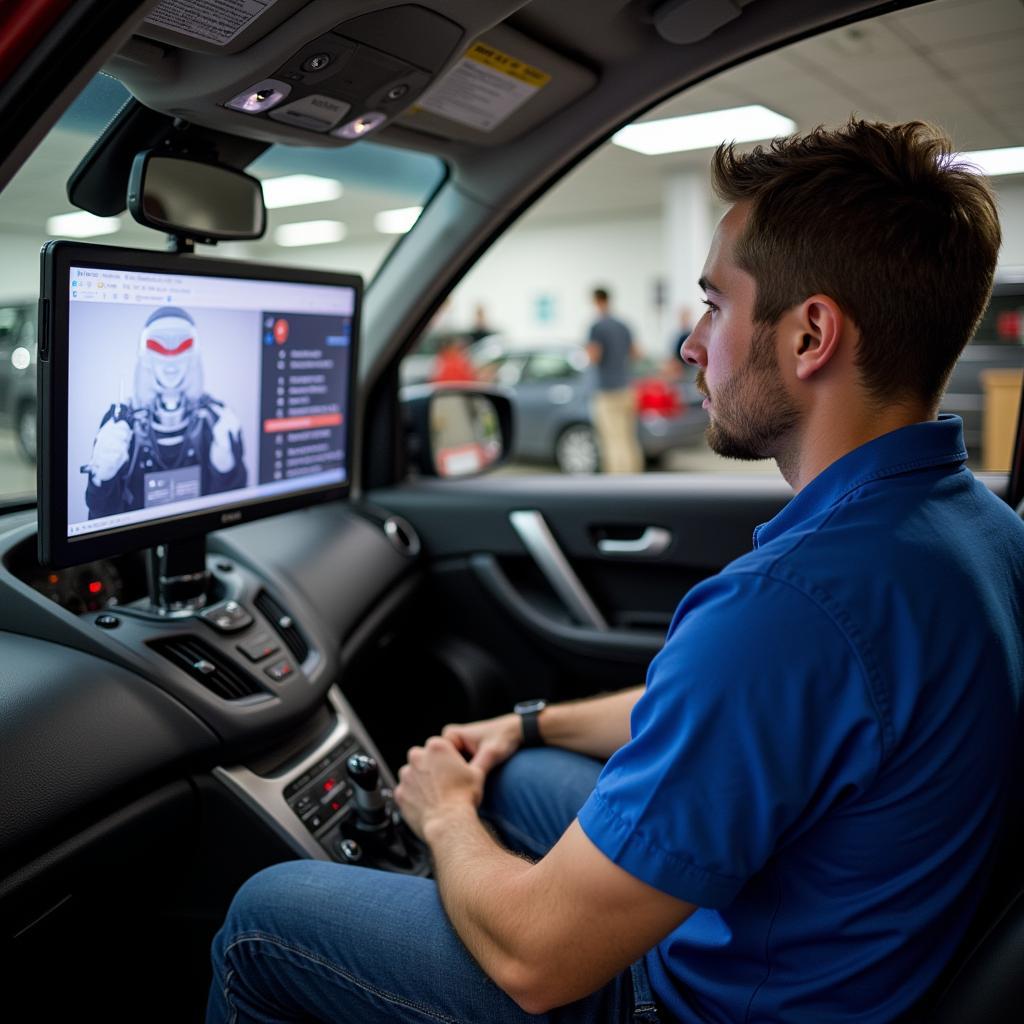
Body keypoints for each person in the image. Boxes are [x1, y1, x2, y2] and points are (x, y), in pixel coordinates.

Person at [207, 120, 1024, 1024]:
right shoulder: (976, 529)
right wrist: (527, 724)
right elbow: (748, 721)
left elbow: (538, 960)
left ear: (811, 336)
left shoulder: (792, 608)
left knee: (262, 919)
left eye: (715, 305)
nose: (690, 344)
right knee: (513, 777)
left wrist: (443, 818)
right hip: (853, 950)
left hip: (695, 1005)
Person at [84, 306, 245, 517]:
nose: (171, 358)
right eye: (158, 345)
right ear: (145, 355)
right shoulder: (121, 422)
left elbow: (231, 508)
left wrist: (226, 468)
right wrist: (102, 479)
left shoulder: (217, 419)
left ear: (194, 355)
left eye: (182, 345)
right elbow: (100, 515)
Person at [586, 286, 644, 473]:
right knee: (629, 438)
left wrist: (586, 354)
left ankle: (618, 485)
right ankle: (634, 479)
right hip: (627, 389)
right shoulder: (624, 325)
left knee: (613, 441)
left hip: (607, 391)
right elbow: (637, 353)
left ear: (596, 301)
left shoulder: (597, 327)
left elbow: (594, 356)